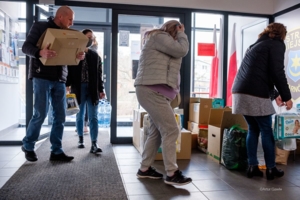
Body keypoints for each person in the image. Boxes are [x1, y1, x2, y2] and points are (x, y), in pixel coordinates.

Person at [21, 6, 85, 162]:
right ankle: (28, 145)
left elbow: (68, 55)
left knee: (60, 116)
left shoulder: (69, 34)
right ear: (61, 16)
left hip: (60, 79)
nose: (72, 23)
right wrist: (40, 52)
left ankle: (56, 151)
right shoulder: (40, 27)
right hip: (41, 75)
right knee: (40, 113)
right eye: (70, 19)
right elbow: (25, 47)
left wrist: (78, 55)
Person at [232, 22, 293, 180]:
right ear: (282, 35)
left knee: (253, 128)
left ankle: (253, 167)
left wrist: (275, 94)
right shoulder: (276, 45)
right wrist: (287, 97)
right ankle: (271, 169)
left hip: (239, 91)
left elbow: (260, 74)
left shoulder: (255, 45)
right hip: (254, 92)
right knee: (266, 130)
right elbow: (277, 72)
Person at [134, 20, 192, 186]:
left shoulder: (163, 41)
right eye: (179, 30)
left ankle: (144, 169)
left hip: (155, 91)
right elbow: (182, 50)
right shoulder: (160, 37)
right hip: (151, 91)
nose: (180, 34)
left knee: (157, 131)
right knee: (171, 129)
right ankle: (172, 173)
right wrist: (182, 34)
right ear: (175, 29)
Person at [66, 28, 105, 155]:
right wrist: (67, 86)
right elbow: (69, 72)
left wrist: (101, 89)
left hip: (93, 88)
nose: (90, 39)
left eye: (92, 37)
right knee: (80, 114)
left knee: (94, 116)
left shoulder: (95, 56)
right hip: (78, 88)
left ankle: (94, 143)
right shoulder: (74, 53)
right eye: (88, 37)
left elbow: (99, 74)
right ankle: (81, 139)